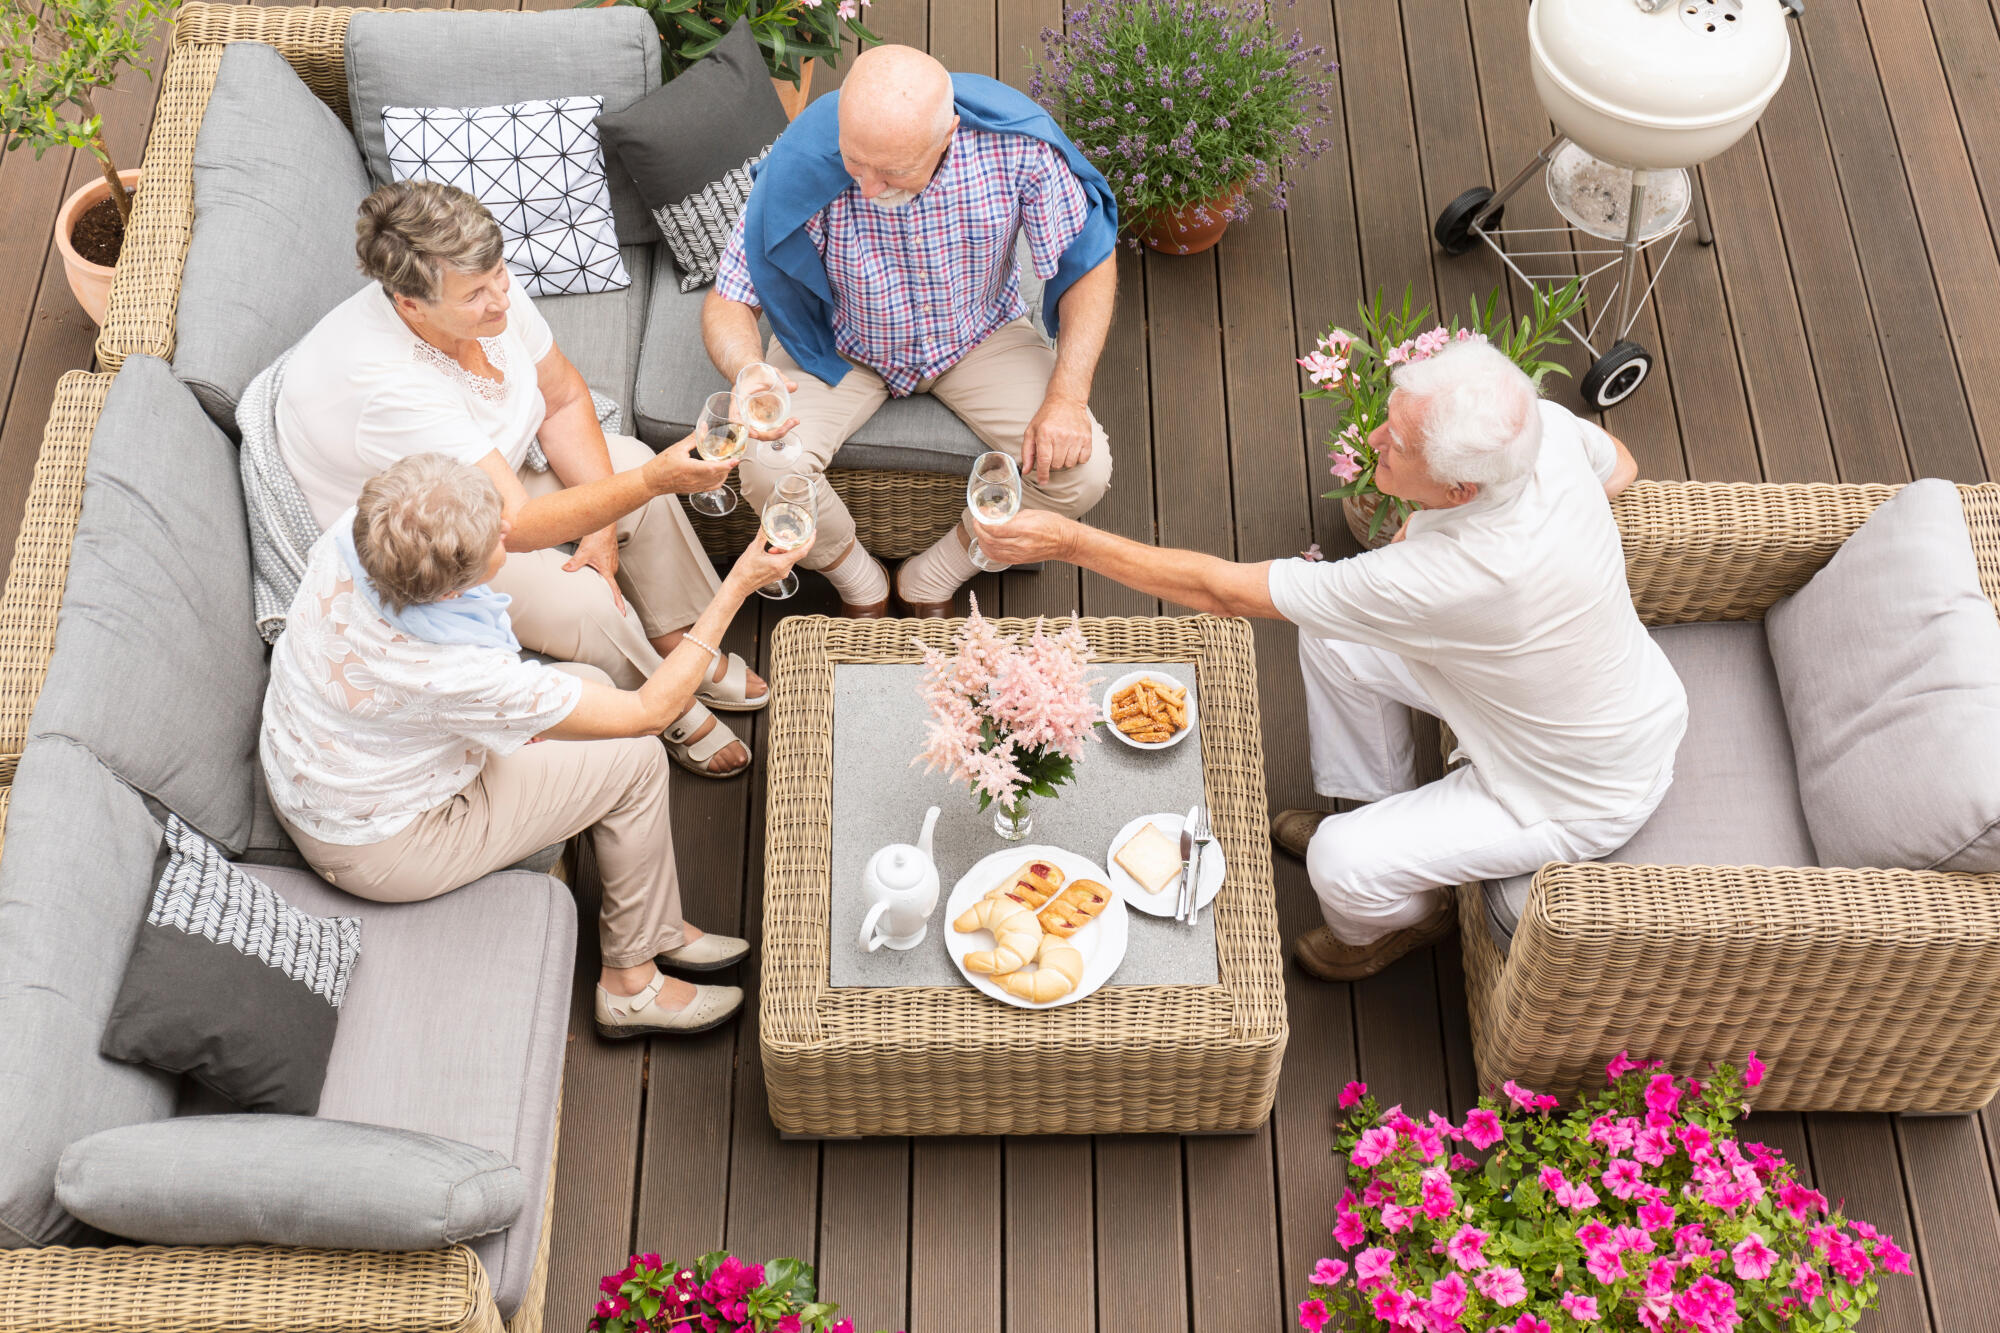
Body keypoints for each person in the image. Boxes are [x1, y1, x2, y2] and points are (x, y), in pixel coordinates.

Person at [970, 340, 1689, 981]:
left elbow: (1221, 589)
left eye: (1398, 443)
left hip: (1572, 787)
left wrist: (1068, 541)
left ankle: (1400, 918)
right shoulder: (1541, 434)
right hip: (1589, 700)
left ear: (1461, 489)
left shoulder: (1451, 575)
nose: (1374, 435)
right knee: (1334, 636)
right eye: (1391, 417)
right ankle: (1381, 805)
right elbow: (1620, 464)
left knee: (1338, 863)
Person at [260, 454, 812, 1036]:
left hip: (324, 770)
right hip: (378, 843)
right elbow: (650, 714)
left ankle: (657, 926)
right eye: (496, 532)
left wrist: (643, 485)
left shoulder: (360, 533)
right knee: (638, 759)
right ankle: (630, 986)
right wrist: (738, 587)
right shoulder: (450, 670)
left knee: (593, 686)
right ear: (453, 591)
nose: (508, 525)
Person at [277, 179, 767, 779]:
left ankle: (677, 636)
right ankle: (660, 699)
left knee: (633, 460)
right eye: (477, 294)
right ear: (411, 305)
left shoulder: (487, 292)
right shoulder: (390, 387)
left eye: (500, 274)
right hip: (426, 531)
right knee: (588, 602)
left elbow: (560, 398)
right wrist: (646, 486)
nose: (502, 299)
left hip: (496, 470)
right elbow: (517, 525)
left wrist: (605, 524)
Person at [702, 43, 1118, 617]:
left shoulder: (1018, 146)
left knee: (1083, 471)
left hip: (979, 337)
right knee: (766, 465)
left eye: (893, 171)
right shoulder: (801, 159)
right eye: (854, 164)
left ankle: (932, 576)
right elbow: (729, 300)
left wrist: (1068, 397)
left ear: (948, 132)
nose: (868, 187)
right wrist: (749, 370)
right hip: (843, 344)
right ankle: (861, 583)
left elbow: (1089, 261)